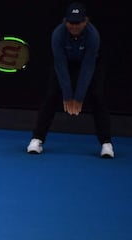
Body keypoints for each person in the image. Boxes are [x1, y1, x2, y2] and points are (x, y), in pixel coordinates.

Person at [27, 2, 114, 158]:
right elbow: (60, 65)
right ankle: (37, 139)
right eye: (71, 23)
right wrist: (68, 96)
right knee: (52, 95)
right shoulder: (57, 35)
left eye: (78, 23)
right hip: (65, 63)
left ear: (85, 21)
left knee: (97, 96)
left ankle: (106, 143)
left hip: (89, 63)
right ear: (65, 21)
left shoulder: (93, 36)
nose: (74, 26)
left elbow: (87, 67)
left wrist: (78, 97)